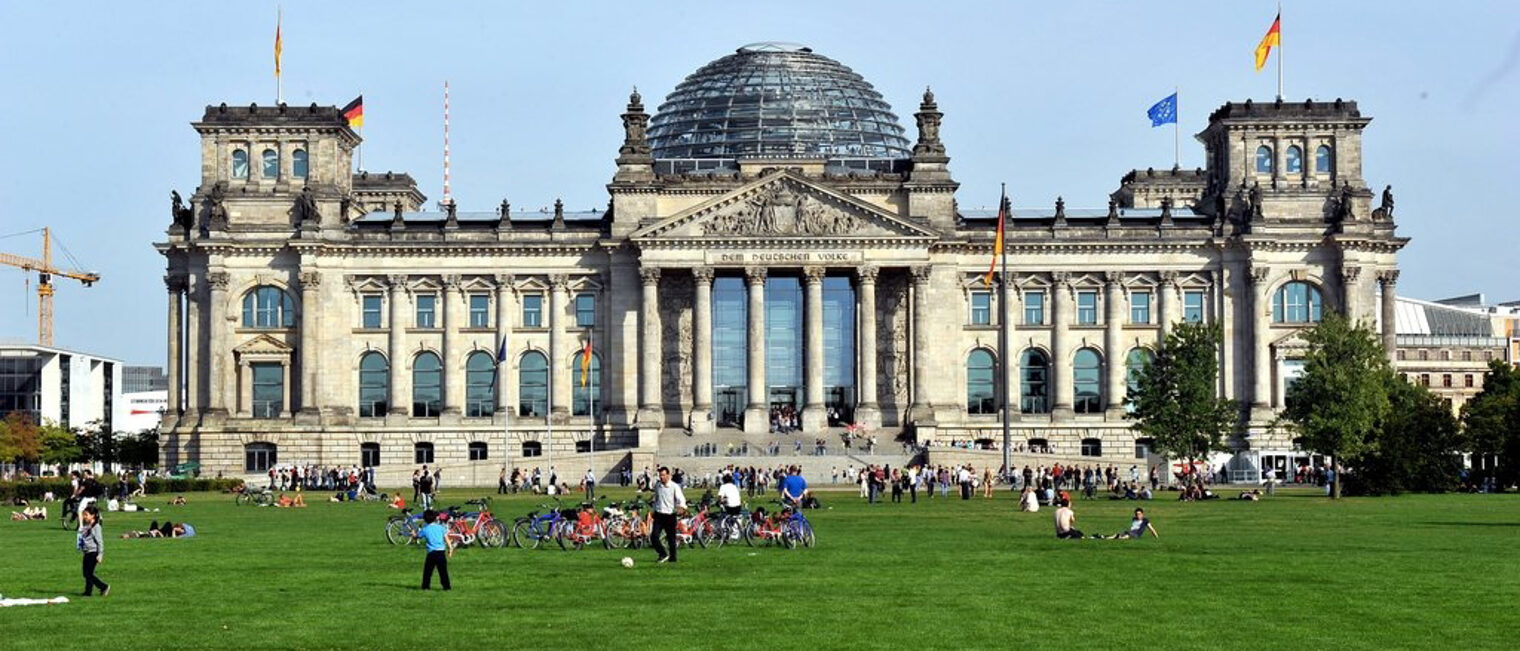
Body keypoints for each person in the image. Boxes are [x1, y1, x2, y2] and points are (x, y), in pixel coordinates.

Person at [649, 466, 687, 564]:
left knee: (671, 539)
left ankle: (673, 558)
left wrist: (682, 507)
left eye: (663, 475)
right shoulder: (658, 486)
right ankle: (662, 553)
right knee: (654, 536)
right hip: (659, 515)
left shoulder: (674, 486)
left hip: (670, 515)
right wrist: (653, 510)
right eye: (660, 475)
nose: (661, 477)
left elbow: (681, 499)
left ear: (668, 475)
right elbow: (656, 499)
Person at [77, 504, 110, 596]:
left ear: (93, 516)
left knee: (88, 574)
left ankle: (103, 587)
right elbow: (83, 537)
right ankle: (89, 592)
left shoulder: (96, 527)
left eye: (86, 515)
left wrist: (100, 555)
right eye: (84, 515)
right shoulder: (87, 526)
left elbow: (100, 542)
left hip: (93, 553)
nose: (84, 517)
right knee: (86, 573)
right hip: (87, 553)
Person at [418, 509, 452, 590]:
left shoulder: (425, 529)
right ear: (435, 518)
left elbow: (417, 536)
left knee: (428, 572)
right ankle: (446, 587)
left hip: (431, 553)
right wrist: (450, 548)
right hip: (441, 553)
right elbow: (446, 538)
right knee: (443, 571)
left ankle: (425, 586)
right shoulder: (441, 528)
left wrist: (413, 534)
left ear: (425, 519)